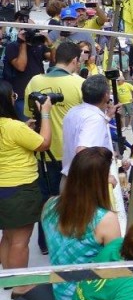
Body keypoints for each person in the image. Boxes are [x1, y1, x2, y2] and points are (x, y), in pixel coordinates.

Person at [41, 147, 121, 300]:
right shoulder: (105, 219)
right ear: (99, 181)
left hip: (61, 296)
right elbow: (115, 268)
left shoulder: (49, 205)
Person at [25, 41, 83, 251]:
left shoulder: (34, 81)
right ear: (74, 60)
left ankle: (44, 242)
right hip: (71, 154)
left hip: (42, 152)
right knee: (71, 200)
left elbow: (29, 115)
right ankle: (67, 242)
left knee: (46, 200)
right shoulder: (79, 84)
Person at [0, 79, 51, 296]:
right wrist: (46, 114)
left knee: (8, 237)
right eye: (13, 95)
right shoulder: (13, 126)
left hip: (3, 189)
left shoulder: (12, 128)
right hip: (20, 189)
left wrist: (25, 130)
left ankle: (8, 280)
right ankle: (21, 286)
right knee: (21, 241)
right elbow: (44, 143)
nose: (15, 98)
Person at [62, 74, 115, 173]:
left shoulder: (72, 111)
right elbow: (83, 152)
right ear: (106, 96)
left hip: (69, 178)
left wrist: (107, 117)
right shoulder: (94, 119)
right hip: (86, 183)